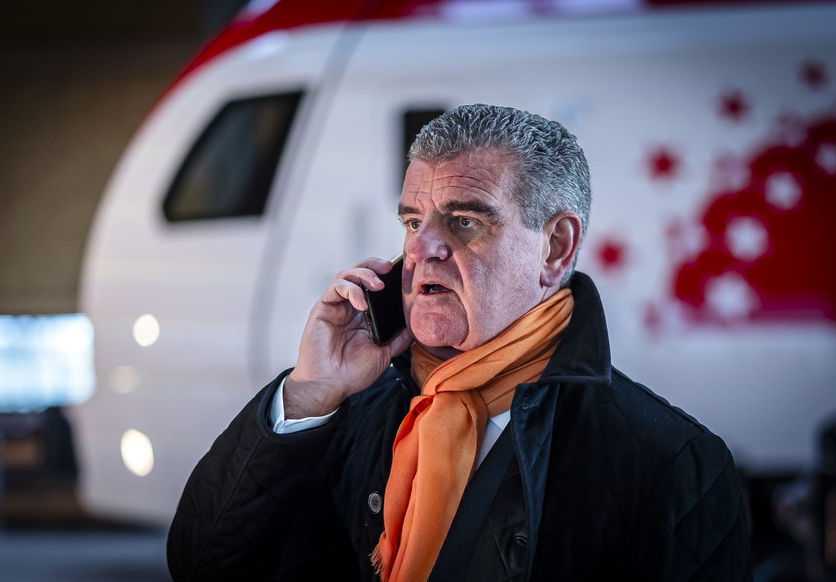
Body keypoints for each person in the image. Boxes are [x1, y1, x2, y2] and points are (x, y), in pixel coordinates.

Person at [167, 104, 751, 581]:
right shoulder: (345, 413)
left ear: (555, 248)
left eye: (465, 221)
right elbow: (203, 566)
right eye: (412, 222)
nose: (421, 249)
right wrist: (308, 395)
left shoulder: (672, 463)